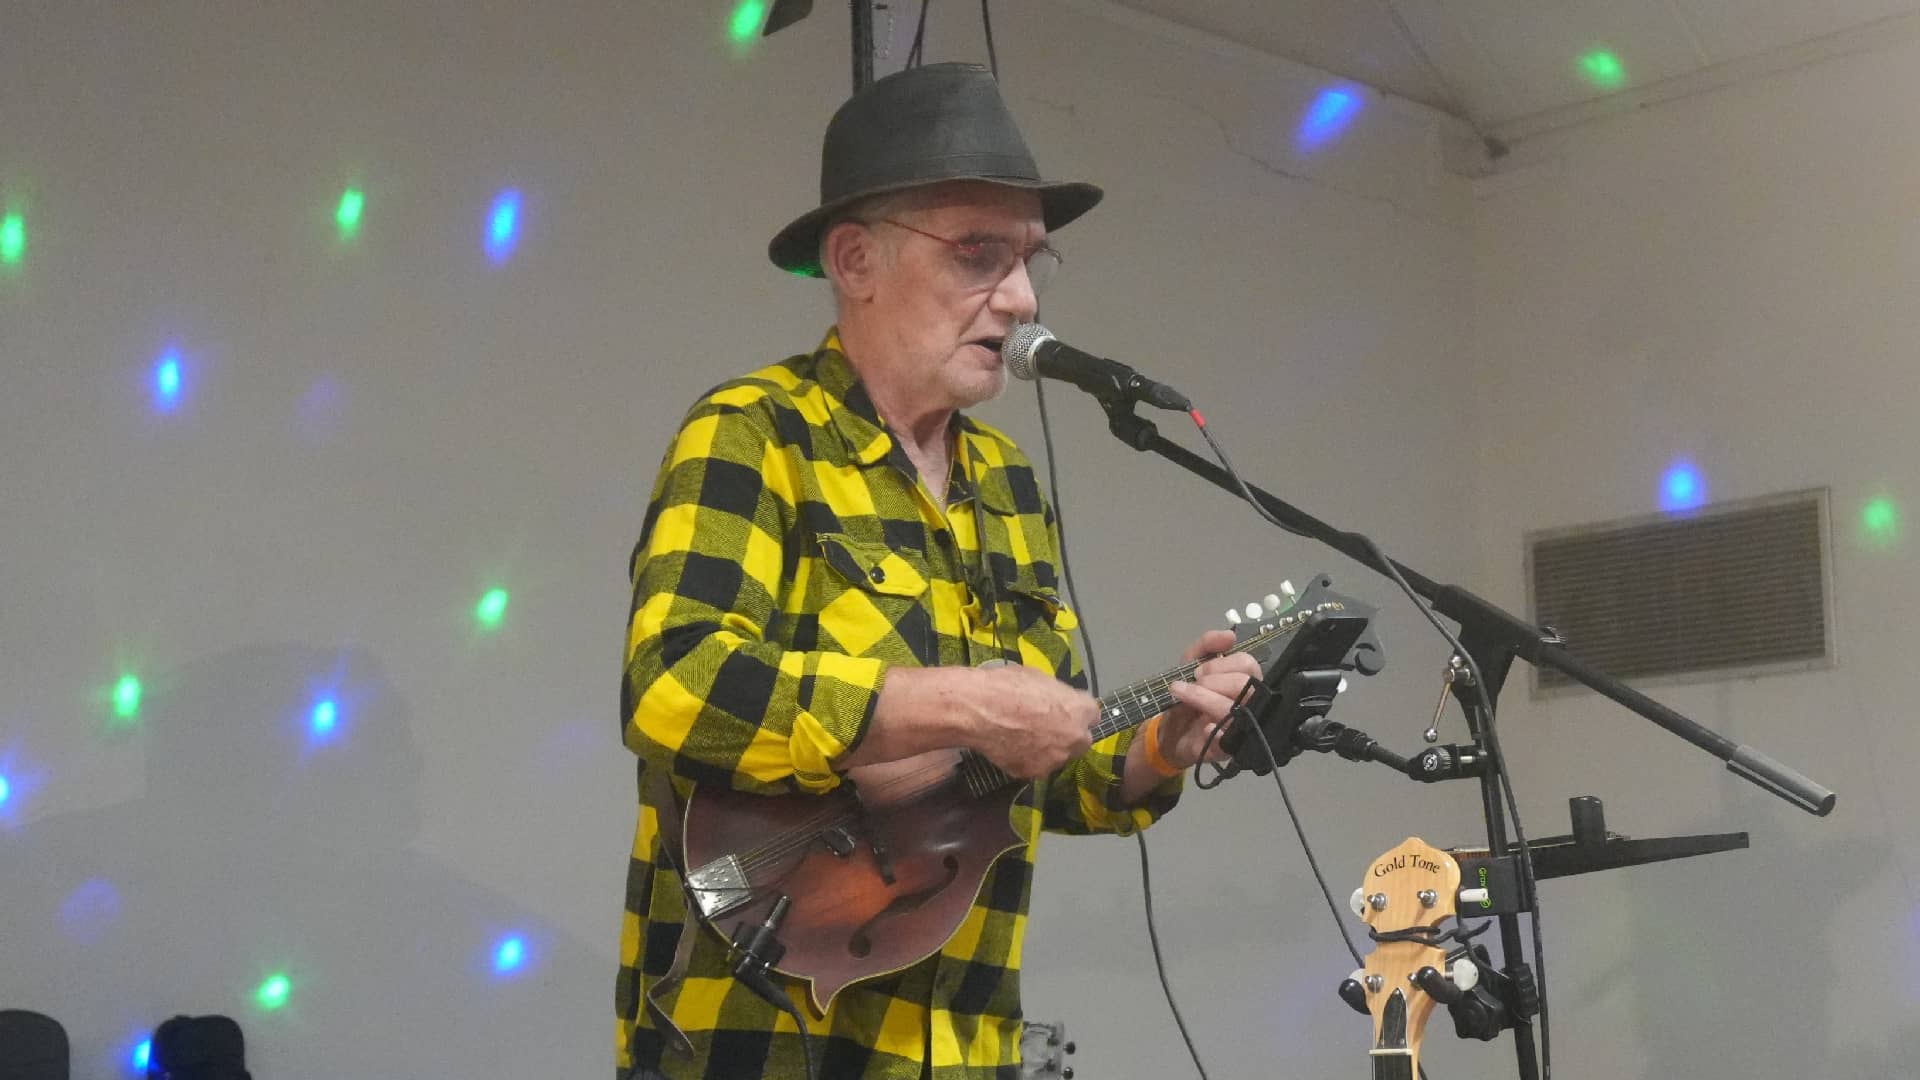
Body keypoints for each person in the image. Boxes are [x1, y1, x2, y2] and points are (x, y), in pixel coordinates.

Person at [616, 62, 1260, 1080]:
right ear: (856, 259)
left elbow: (1029, 778)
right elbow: (675, 689)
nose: (1022, 296)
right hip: (760, 1037)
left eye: (1031, 259)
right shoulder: (755, 433)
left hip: (966, 1041)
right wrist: (957, 704)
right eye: (979, 255)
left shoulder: (1004, 481)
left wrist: (1162, 747)